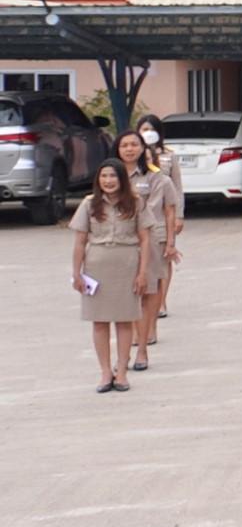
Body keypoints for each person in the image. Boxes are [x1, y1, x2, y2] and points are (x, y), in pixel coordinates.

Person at [71, 160, 160, 394]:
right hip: (97, 265)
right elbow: (80, 241)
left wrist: (143, 273)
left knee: (124, 319)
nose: (108, 181)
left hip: (127, 264)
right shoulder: (89, 204)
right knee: (99, 321)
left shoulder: (137, 203)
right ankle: (104, 372)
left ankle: (121, 371)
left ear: (122, 179)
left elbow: (145, 239)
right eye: (104, 176)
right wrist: (76, 273)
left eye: (113, 176)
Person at [114, 130, 176, 373]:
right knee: (125, 294)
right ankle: (128, 344)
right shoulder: (110, 176)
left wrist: (170, 242)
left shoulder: (156, 177)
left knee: (149, 291)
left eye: (134, 145)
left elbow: (169, 208)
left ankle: (143, 346)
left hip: (151, 239)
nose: (129, 149)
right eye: (124, 145)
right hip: (121, 241)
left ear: (142, 148)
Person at [132, 112, 184, 316]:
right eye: (144, 130)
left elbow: (177, 187)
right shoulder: (132, 155)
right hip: (139, 216)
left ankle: (161, 302)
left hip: (164, 216)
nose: (148, 134)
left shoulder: (168, 155)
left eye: (152, 130)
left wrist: (179, 215)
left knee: (164, 259)